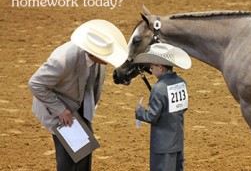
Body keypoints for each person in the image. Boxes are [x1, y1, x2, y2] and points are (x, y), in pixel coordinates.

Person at [28, 19, 128, 171]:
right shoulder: (62, 60)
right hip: (58, 106)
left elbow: (93, 85)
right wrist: (60, 110)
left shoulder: (100, 60)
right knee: (68, 157)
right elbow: (35, 83)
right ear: (93, 53)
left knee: (85, 151)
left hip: (80, 104)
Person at [134, 43, 192, 171]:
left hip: (162, 146)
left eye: (152, 66)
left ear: (160, 67)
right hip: (177, 142)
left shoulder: (158, 88)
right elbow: (183, 108)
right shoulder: (181, 83)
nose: (150, 68)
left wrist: (139, 112)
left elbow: (152, 117)